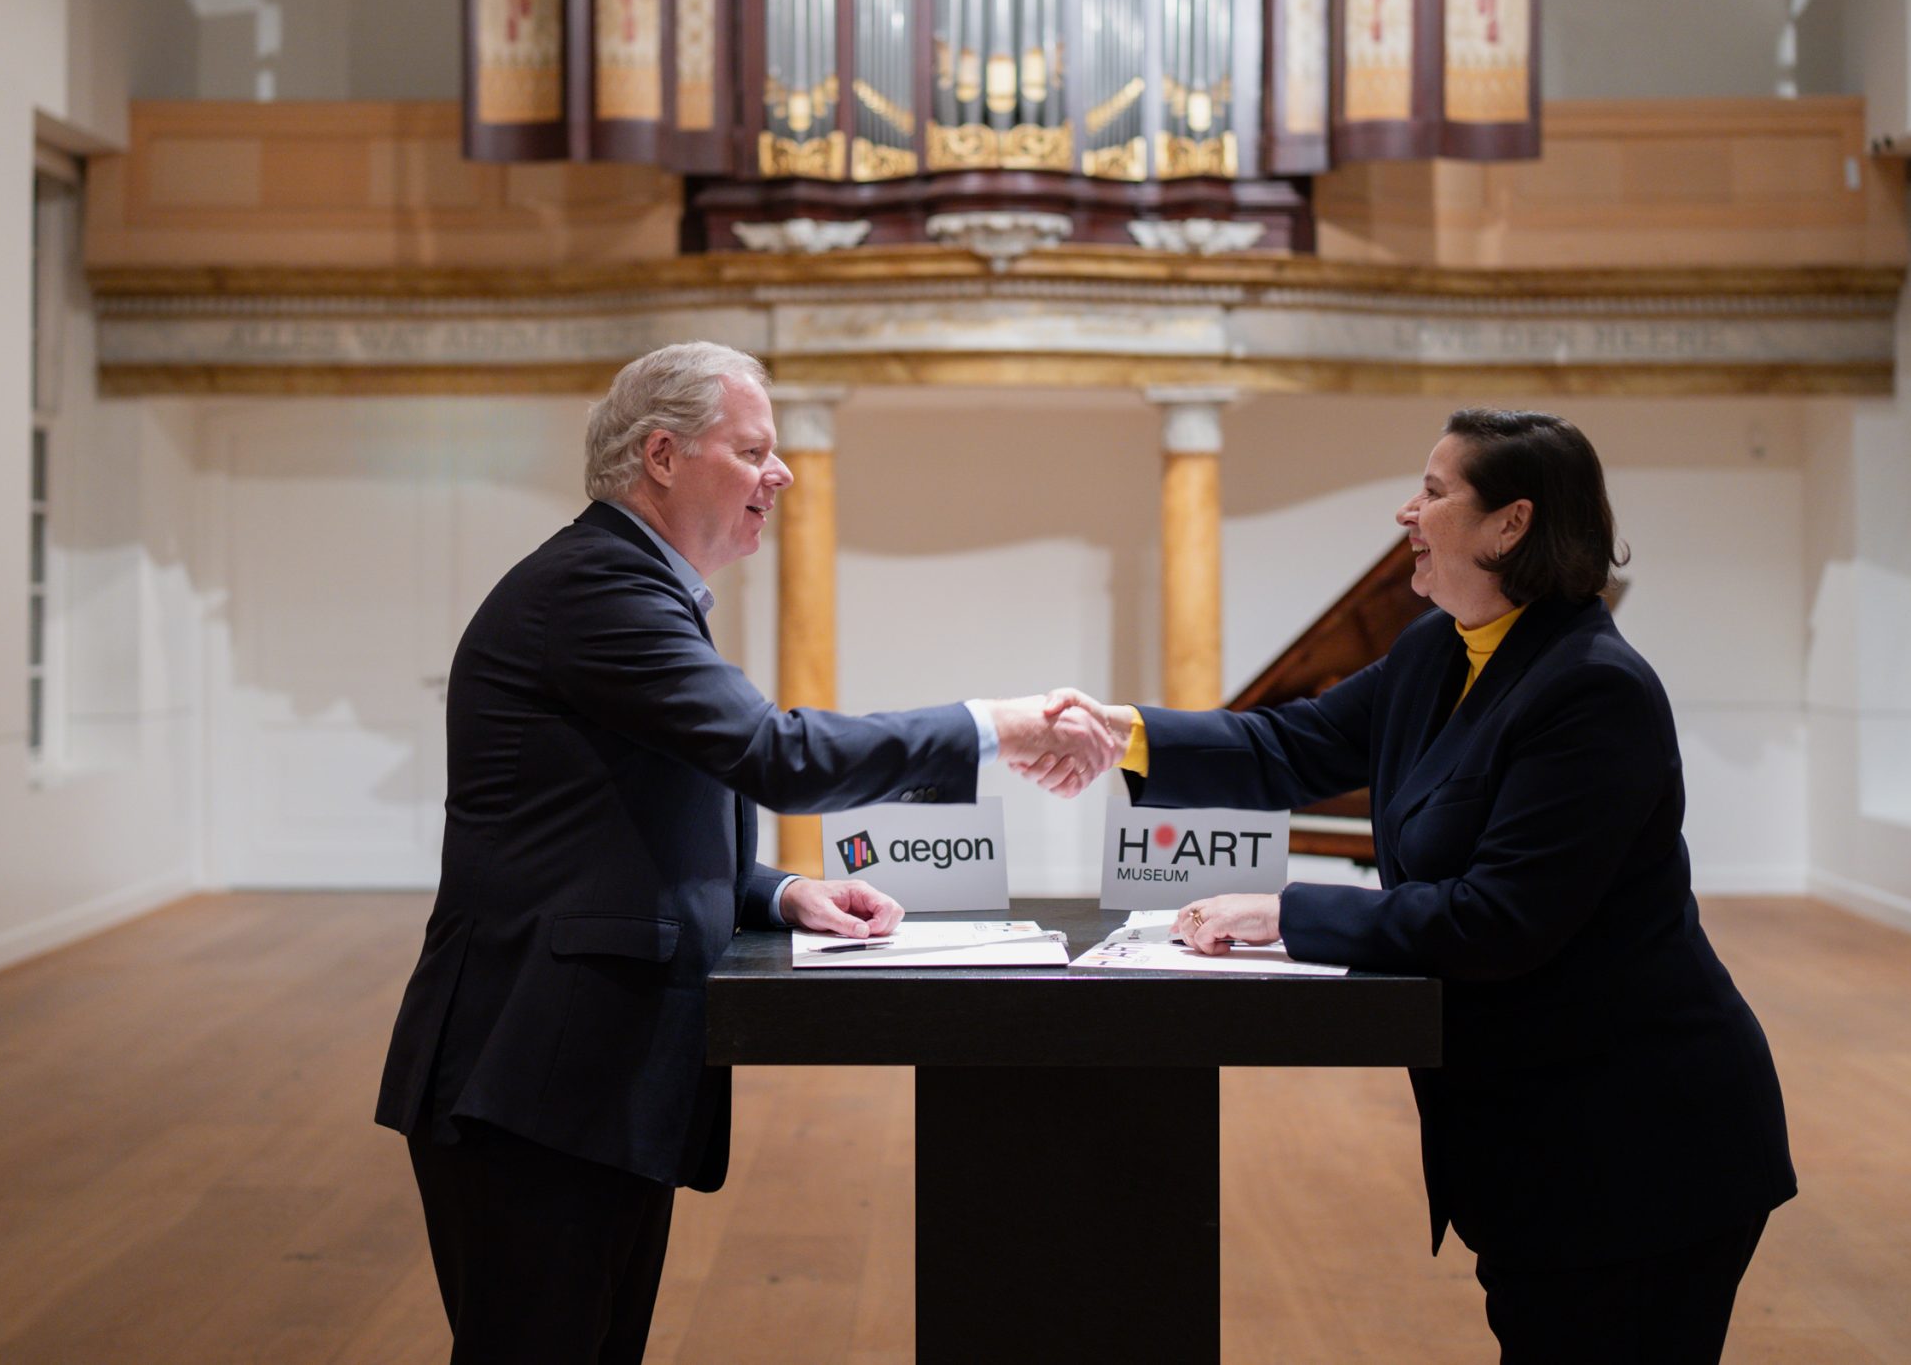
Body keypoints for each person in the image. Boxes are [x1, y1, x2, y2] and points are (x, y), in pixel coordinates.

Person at [374, 341, 1117, 1365]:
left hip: (581, 1074)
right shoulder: (599, 589)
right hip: (529, 1071)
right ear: (664, 455)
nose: (784, 473)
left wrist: (784, 892)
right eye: (755, 449)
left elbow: (627, 822)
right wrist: (996, 724)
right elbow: (773, 754)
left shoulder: (628, 585)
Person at [1045, 408, 1795, 1364]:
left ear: (1509, 524)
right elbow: (1288, 744)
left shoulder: (1593, 688)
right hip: (1544, 1141)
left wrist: (1285, 914)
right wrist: (1121, 731)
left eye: (1436, 492)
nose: (1409, 510)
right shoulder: (1437, 651)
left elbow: (1499, 920)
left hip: (1641, 1144)